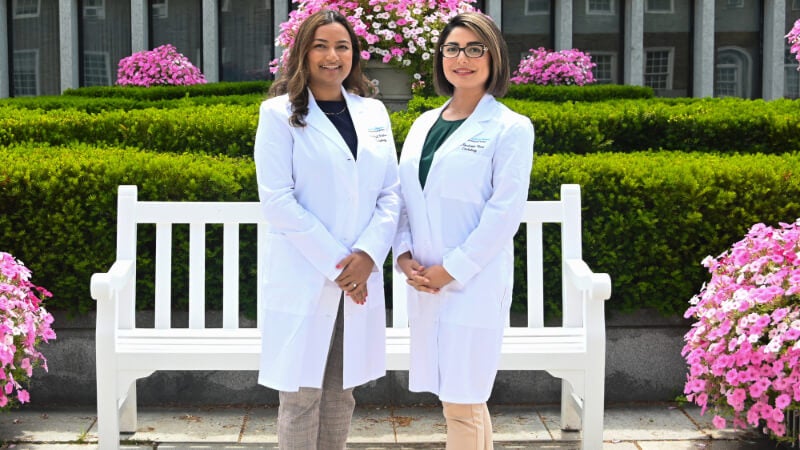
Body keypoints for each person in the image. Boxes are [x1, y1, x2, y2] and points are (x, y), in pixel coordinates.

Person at [253, 9, 400, 450]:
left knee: (342, 394)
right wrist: (343, 268)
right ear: (302, 52)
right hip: (305, 274)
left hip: (359, 272)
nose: (332, 55)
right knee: (300, 396)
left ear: (354, 56)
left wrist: (368, 256)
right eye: (321, 45)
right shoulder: (278, 115)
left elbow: (390, 195)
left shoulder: (373, 112)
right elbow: (278, 200)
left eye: (342, 46)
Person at [393, 12, 535, 450]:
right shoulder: (422, 125)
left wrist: (449, 270)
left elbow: (502, 215)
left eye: (476, 49)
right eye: (453, 48)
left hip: (472, 282)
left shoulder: (510, 128)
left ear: (494, 58)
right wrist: (403, 256)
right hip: (424, 281)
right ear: (440, 59)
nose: (463, 58)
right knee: (460, 400)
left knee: (463, 399)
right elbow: (403, 199)